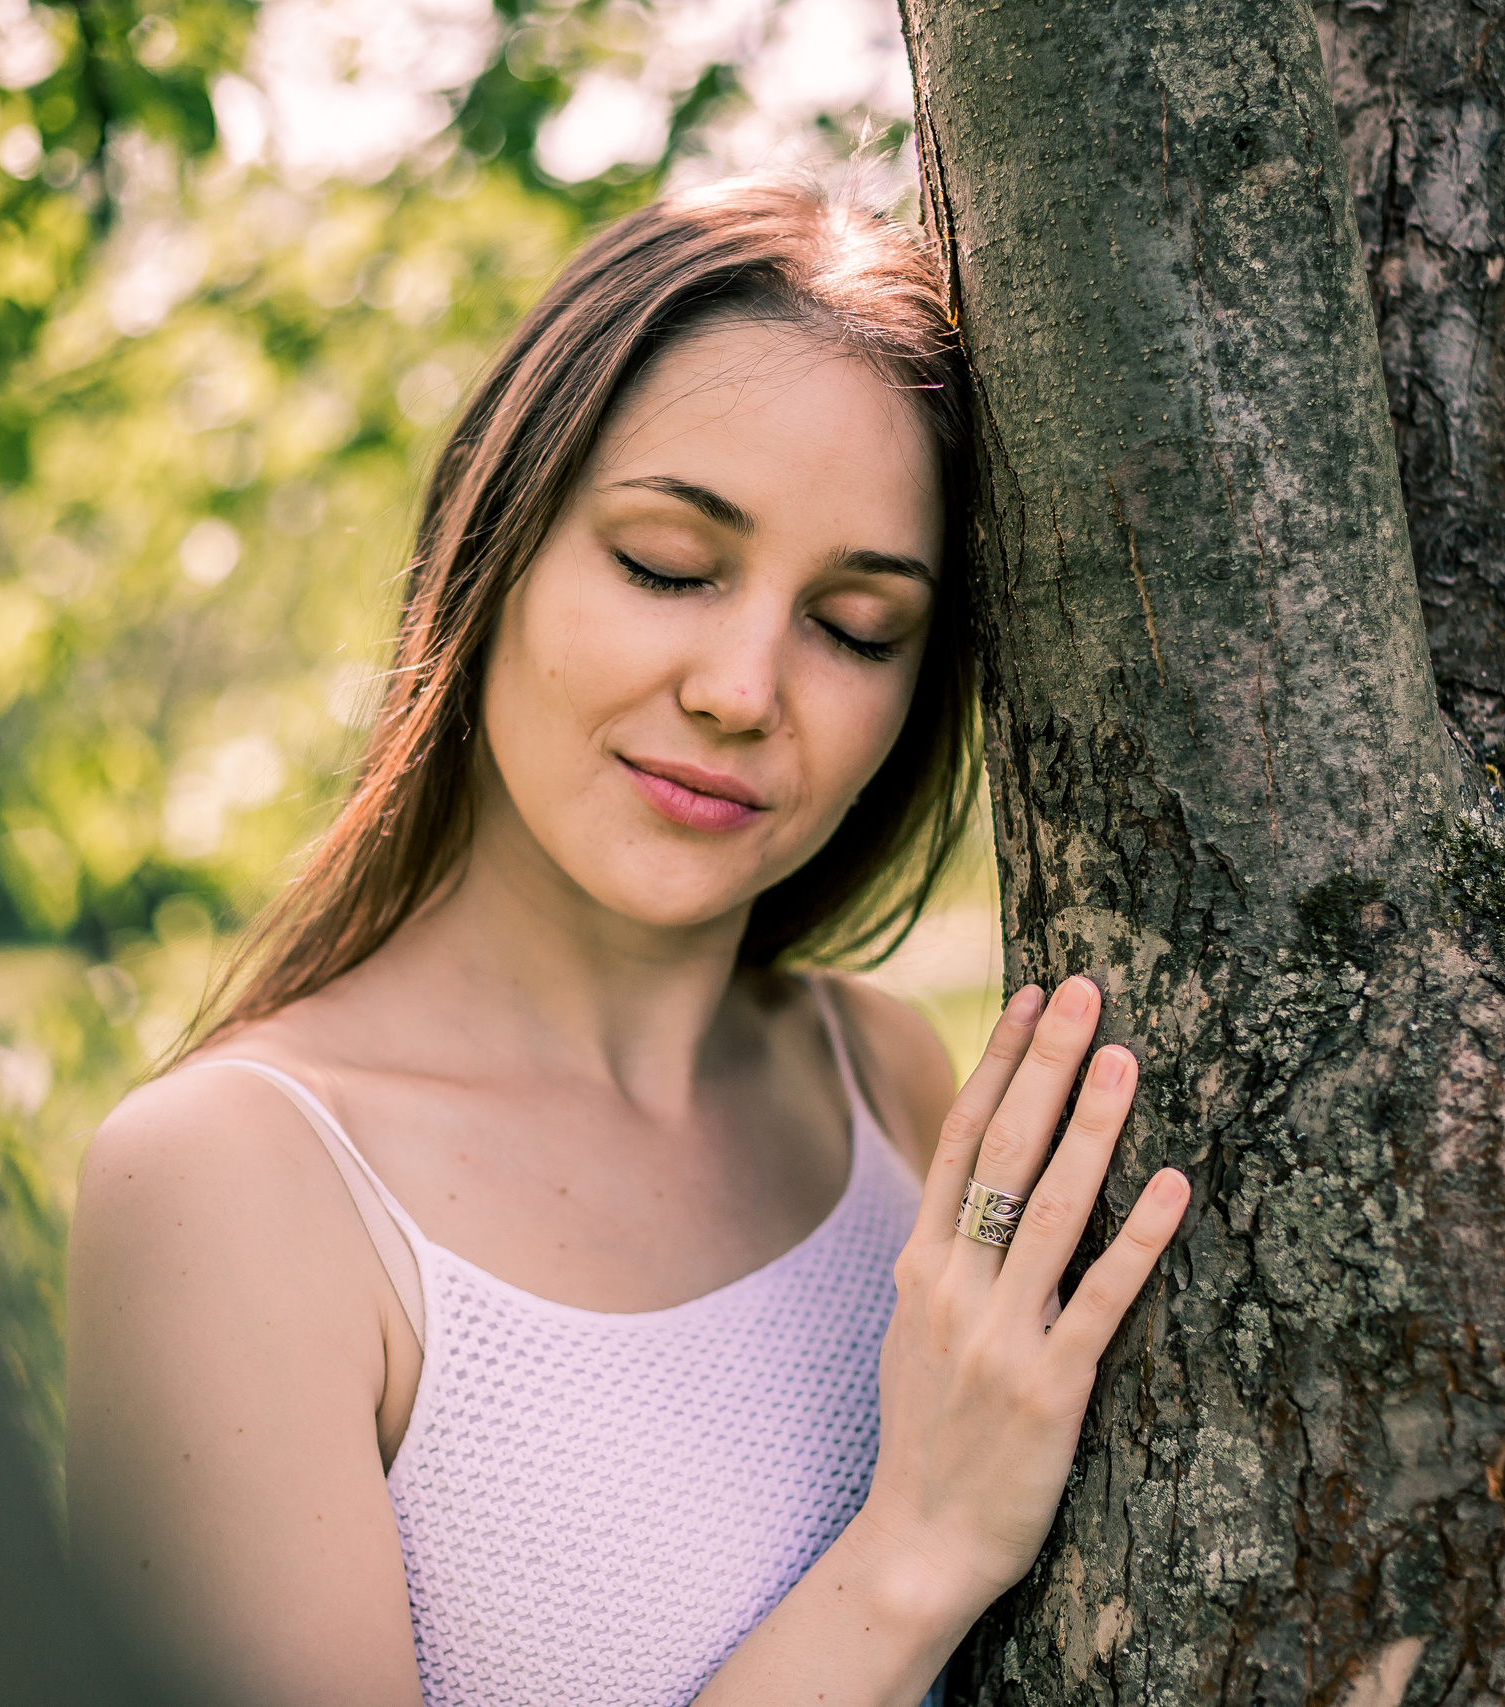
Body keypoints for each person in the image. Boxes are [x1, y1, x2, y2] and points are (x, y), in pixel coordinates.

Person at [64, 174, 1190, 1707]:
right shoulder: (230, 1183)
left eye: (857, 628)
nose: (742, 687)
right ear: (498, 544)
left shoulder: (882, 1077)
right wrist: (913, 1551)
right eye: (667, 563)